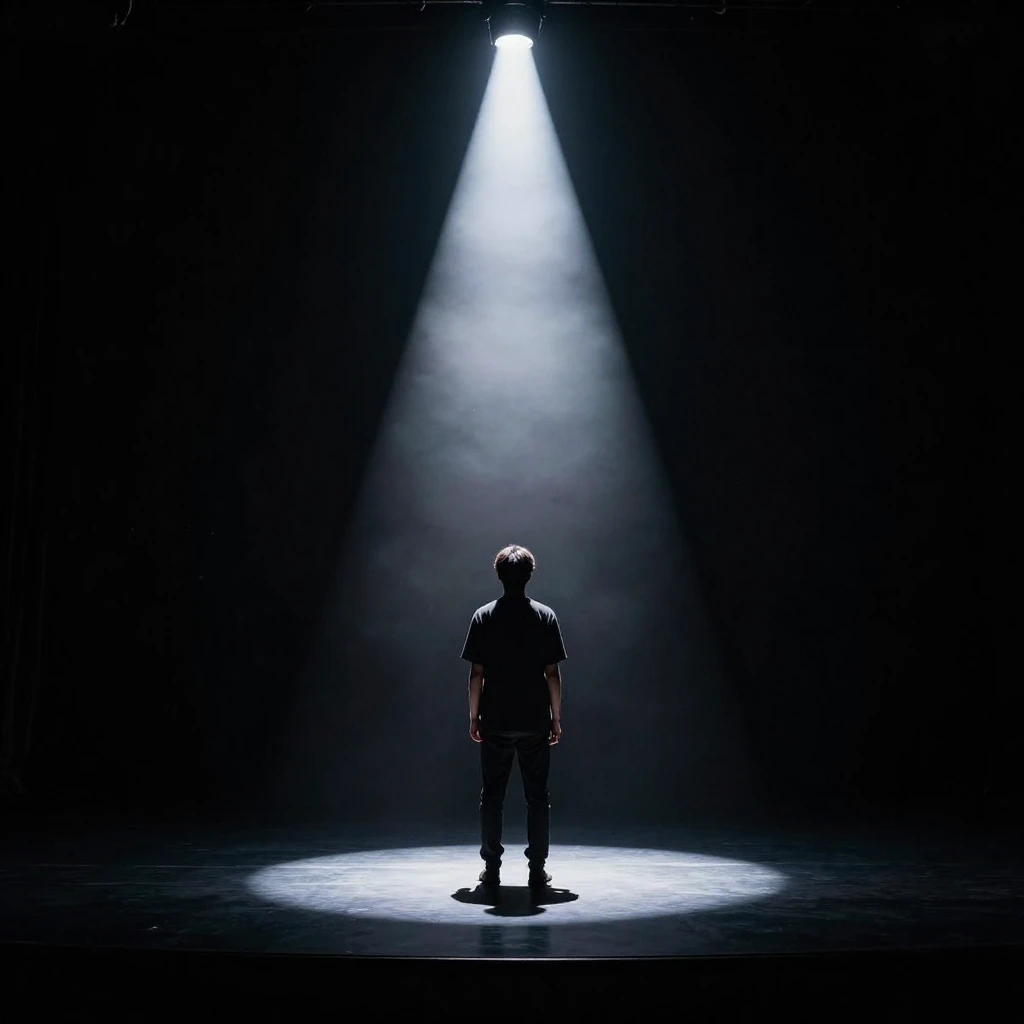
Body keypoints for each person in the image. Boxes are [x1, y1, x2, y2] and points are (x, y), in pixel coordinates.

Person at [461, 544, 566, 890]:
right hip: (534, 718)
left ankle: (491, 869)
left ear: (499, 575)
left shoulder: (484, 616)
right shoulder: (545, 616)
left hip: (495, 718)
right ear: (529, 575)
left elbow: (477, 674)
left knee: (492, 796)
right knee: (537, 797)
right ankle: (537, 869)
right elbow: (552, 673)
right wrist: (555, 718)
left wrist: (473, 716)